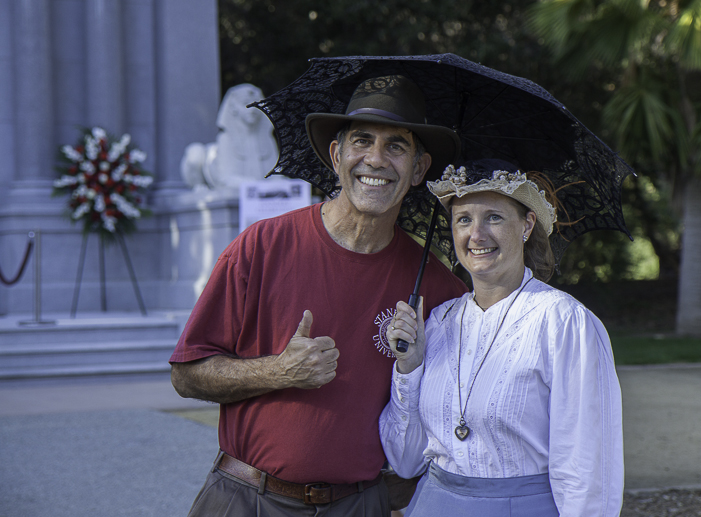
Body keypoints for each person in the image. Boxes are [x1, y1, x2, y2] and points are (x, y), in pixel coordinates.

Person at [169, 75, 468, 517]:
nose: (376, 159)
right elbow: (186, 375)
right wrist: (279, 371)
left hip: (360, 504)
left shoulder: (439, 288)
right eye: (361, 141)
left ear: (419, 169)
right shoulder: (262, 246)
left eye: (397, 147)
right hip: (246, 499)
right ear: (336, 155)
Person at [380, 158, 624, 516]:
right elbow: (405, 462)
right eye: (463, 219)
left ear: (527, 225)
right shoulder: (437, 323)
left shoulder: (564, 323)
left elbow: (587, 466)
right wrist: (409, 367)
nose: (476, 235)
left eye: (493, 217)